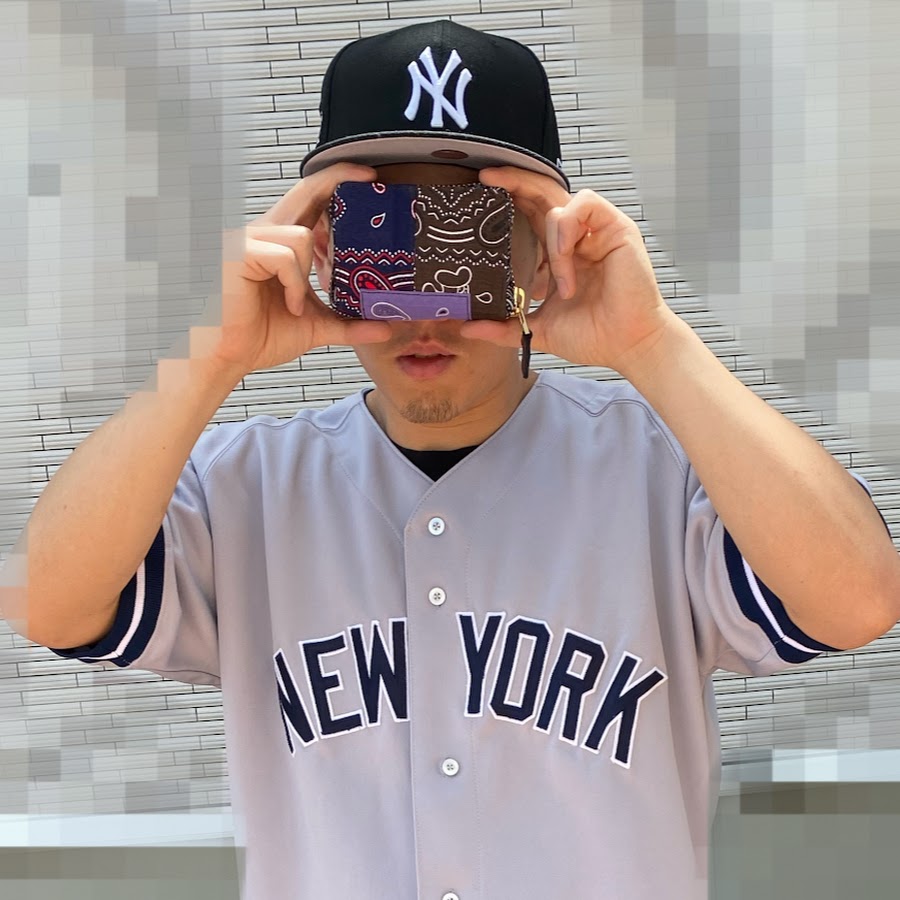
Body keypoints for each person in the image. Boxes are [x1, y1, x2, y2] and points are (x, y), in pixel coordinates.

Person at [2, 19, 898, 900]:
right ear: (327, 253)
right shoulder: (240, 486)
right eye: (389, 240)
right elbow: (45, 602)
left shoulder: (666, 466)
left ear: (542, 259)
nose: (426, 307)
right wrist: (208, 356)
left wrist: (652, 343)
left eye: (467, 241)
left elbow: (858, 602)